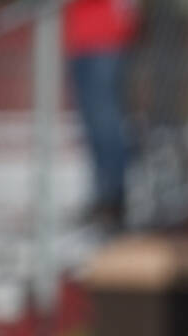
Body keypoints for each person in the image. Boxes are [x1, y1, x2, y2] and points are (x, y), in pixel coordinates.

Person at [63, 0, 138, 231]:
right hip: (82, 39)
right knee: (93, 125)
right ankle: (104, 196)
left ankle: (114, 199)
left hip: (104, 38)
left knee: (105, 121)